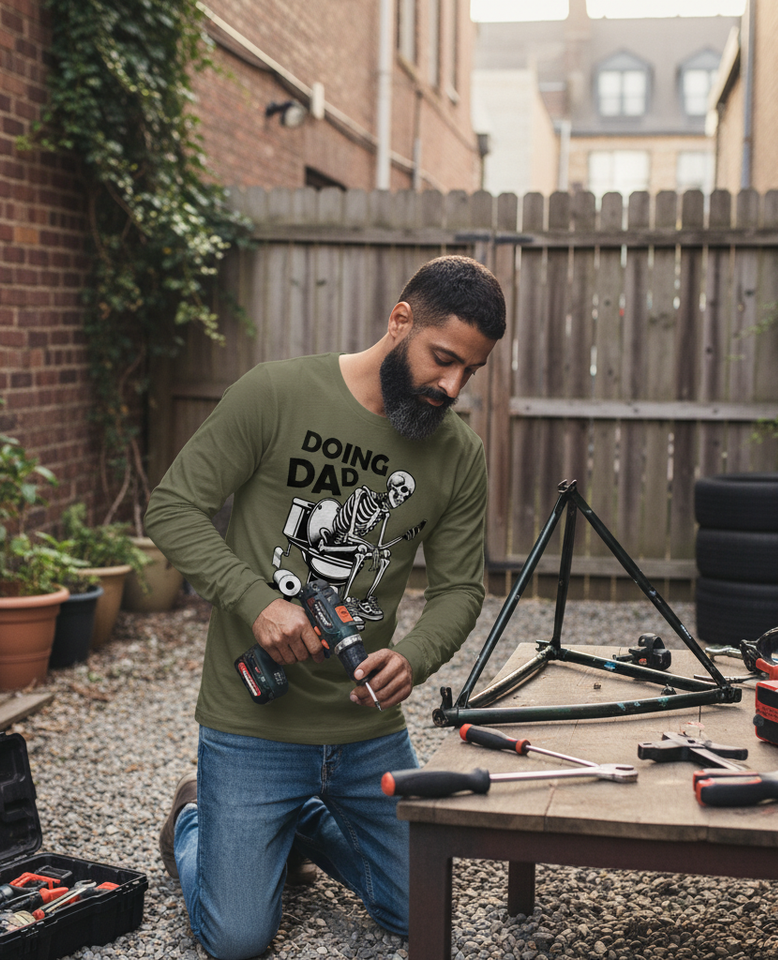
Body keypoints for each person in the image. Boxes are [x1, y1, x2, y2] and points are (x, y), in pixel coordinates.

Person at [146, 254, 506, 960]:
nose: (452, 385)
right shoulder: (278, 393)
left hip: (365, 730)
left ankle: (302, 820)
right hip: (254, 722)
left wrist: (413, 655)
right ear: (400, 321)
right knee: (239, 940)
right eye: (442, 359)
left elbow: (462, 587)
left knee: (422, 914)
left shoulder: (458, 454)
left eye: (471, 371)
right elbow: (174, 508)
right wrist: (255, 602)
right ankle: (195, 820)